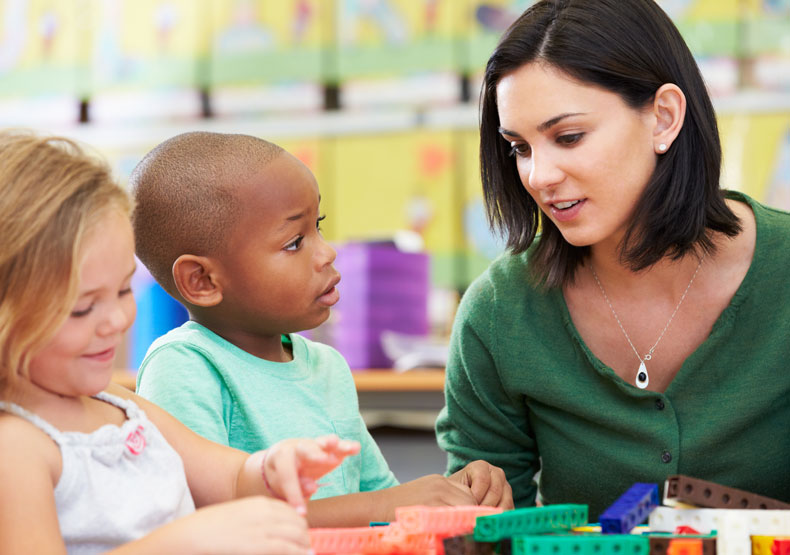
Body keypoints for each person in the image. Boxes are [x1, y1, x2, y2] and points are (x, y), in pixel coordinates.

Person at [435, 0, 790, 518]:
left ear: (663, 118)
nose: (539, 176)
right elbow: (487, 529)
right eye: (520, 147)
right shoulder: (499, 312)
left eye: (569, 137)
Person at [0, 130, 361, 554]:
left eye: (121, 291)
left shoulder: (118, 406)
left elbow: (228, 478)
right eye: (83, 308)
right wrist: (179, 543)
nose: (116, 321)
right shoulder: (16, 448)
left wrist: (271, 467)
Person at [130, 131, 513, 527]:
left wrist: (456, 493)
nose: (327, 252)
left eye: (319, 225)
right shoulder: (183, 366)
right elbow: (211, 523)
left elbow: (381, 505)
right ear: (203, 281)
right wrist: (389, 506)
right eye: (295, 242)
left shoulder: (326, 366)